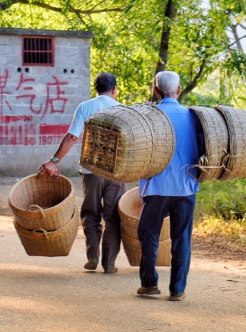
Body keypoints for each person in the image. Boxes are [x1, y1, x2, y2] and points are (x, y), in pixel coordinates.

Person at [40, 72, 126, 274]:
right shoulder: (124, 111)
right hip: (117, 172)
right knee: (113, 216)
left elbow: (71, 137)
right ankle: (110, 263)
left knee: (91, 213)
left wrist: (54, 161)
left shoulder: (86, 107)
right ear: (115, 89)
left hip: (91, 170)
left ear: (95, 89)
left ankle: (93, 257)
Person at [136, 71, 200, 302]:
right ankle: (177, 289)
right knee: (181, 238)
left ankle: (150, 284)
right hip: (185, 186)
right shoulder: (195, 117)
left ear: (155, 90)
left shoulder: (147, 117)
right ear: (179, 90)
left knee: (148, 233)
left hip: (156, 186)